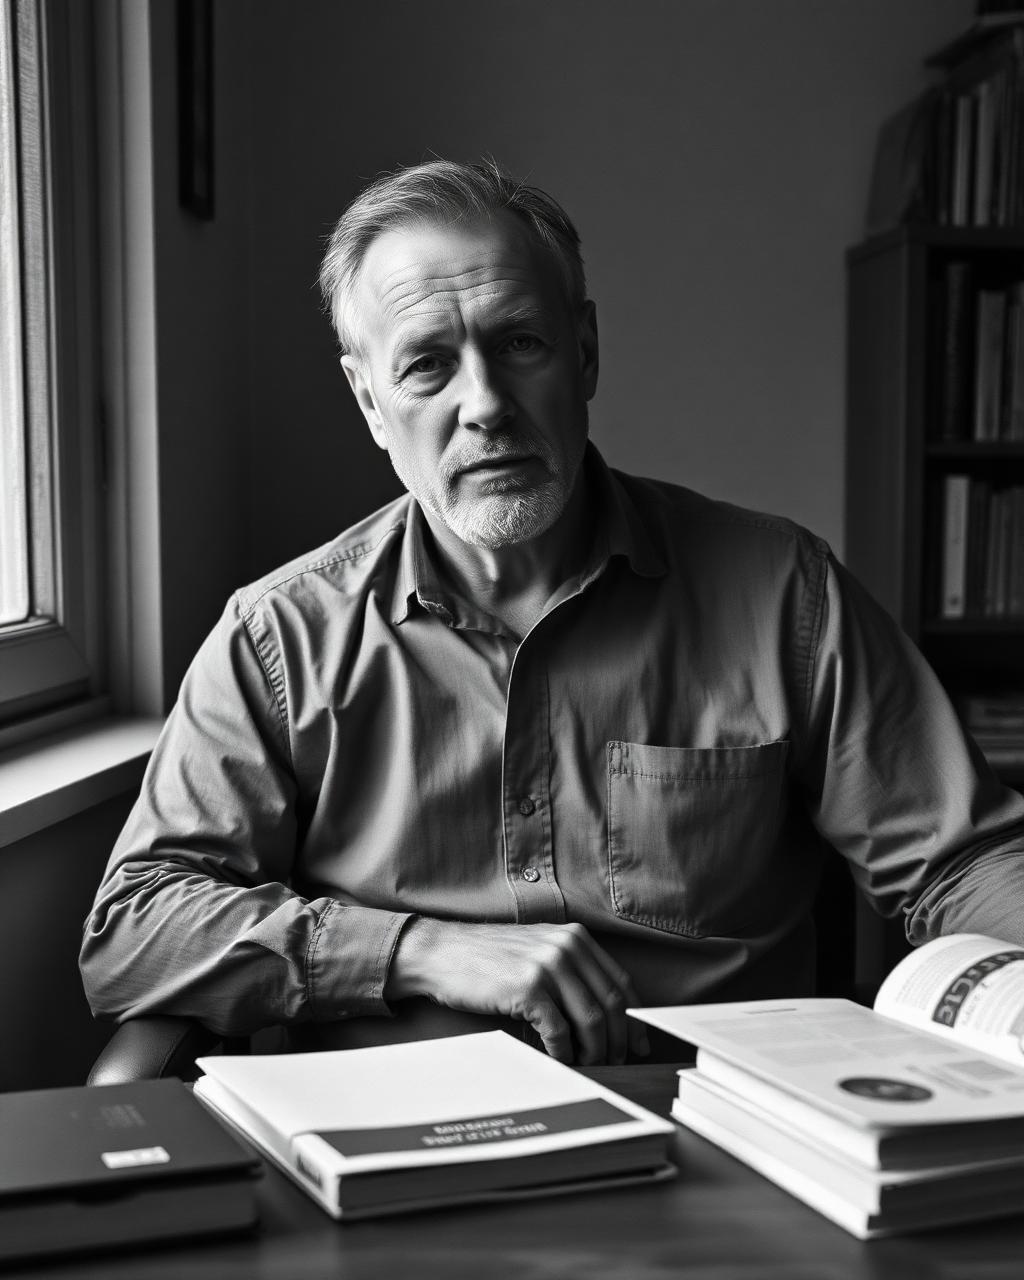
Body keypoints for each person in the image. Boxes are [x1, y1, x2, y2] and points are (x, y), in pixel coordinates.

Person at [80, 159, 1024, 1067]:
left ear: (585, 353)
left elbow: (962, 863)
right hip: (392, 1147)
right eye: (427, 367)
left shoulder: (782, 593)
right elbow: (134, 931)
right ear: (371, 402)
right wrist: (421, 949)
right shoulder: (279, 637)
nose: (485, 404)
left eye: (520, 342)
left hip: (712, 1135)